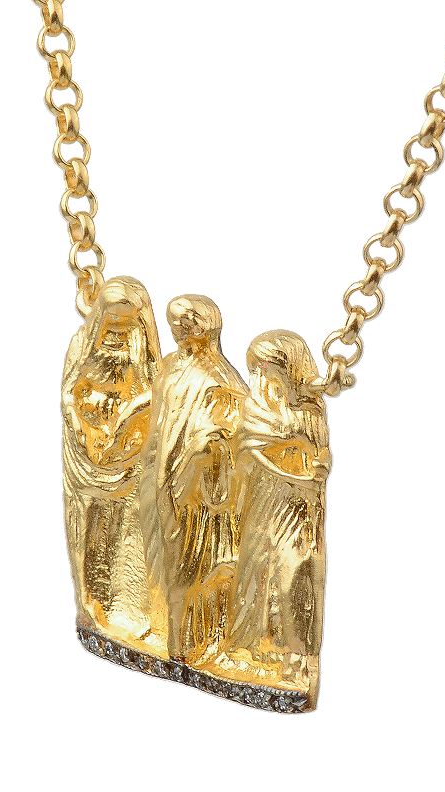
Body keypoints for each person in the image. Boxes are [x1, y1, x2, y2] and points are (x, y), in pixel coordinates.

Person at [140, 295, 247, 667]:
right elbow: (158, 420)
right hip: (158, 474)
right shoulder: (170, 366)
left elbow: (237, 428)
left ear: (208, 327)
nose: (180, 331)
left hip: (199, 491)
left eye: (189, 324)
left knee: (193, 564)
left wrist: (207, 444)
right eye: (175, 324)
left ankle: (194, 643)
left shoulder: (220, 377)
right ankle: (169, 634)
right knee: (161, 556)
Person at [226, 331, 331, 704]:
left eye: (267, 366)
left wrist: (315, 468)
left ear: (290, 369)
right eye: (255, 367)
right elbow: (247, 446)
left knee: (295, 575)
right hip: (262, 501)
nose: (259, 374)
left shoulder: (310, 411)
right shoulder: (256, 407)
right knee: (255, 573)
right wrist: (291, 451)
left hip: (297, 508)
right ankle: (252, 649)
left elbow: (321, 454)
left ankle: (294, 656)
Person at [61, 277, 162, 650]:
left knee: (132, 526)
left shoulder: (142, 347)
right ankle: (92, 604)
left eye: (127, 321)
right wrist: (81, 428)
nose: (119, 328)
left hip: (130, 450)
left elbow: (155, 391)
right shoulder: (82, 342)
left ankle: (132, 612)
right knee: (86, 523)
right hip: (86, 447)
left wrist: (126, 425)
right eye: (112, 321)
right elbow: (69, 391)